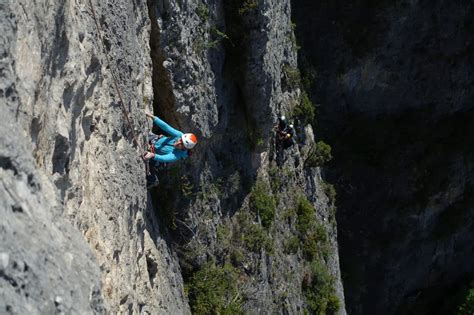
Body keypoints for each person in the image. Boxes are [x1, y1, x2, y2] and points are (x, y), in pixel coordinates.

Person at [143, 111, 197, 188]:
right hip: (155, 140)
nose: (178, 142)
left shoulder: (176, 155)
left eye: (181, 144)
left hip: (157, 156)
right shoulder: (179, 135)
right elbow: (166, 127)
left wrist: (152, 155)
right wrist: (152, 116)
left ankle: (153, 180)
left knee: (149, 164)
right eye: (180, 140)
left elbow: (164, 158)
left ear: (184, 149)